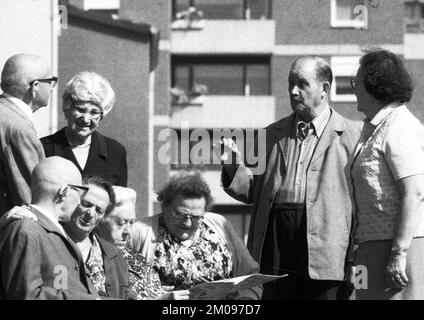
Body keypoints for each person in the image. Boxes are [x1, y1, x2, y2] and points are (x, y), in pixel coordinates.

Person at [216, 56, 362, 300]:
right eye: (291, 83)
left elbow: (362, 204)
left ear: (325, 88)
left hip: (327, 250)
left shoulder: (353, 135)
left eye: (302, 83)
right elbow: (254, 192)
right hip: (276, 244)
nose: (293, 91)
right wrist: (233, 167)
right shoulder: (271, 134)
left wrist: (355, 258)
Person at [349, 49, 424, 300]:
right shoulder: (373, 128)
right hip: (371, 251)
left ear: (373, 85)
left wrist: (398, 253)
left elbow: (414, 192)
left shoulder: (399, 125)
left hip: (397, 251)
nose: (354, 90)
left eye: (355, 83)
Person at [128, 172, 261, 300]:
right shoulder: (140, 232)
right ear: (164, 206)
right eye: (180, 215)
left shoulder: (220, 225)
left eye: (196, 217)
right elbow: (122, 287)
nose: (187, 223)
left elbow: (250, 276)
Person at [0, 157, 98, 299]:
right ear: (64, 191)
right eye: (80, 192)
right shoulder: (27, 230)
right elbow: (26, 295)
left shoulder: (49, 229)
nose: (78, 202)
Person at [96, 186, 190, 300]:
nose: (128, 231)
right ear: (99, 220)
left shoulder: (131, 255)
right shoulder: (91, 257)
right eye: (120, 223)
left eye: (131, 223)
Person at [40, 71, 127, 186]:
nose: (86, 119)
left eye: (94, 112)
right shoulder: (43, 148)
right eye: (80, 109)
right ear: (67, 108)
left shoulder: (115, 151)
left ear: (101, 116)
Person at [0, 54, 56, 214]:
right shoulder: (18, 128)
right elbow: (31, 197)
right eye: (51, 81)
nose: (52, 87)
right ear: (35, 86)